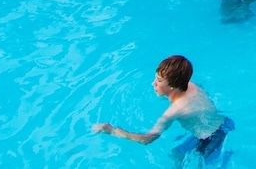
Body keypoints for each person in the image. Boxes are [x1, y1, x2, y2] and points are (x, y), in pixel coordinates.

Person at [92, 54, 233, 164]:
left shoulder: (173, 111)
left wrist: (112, 131)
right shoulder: (191, 85)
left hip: (210, 140)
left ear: (173, 85)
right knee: (176, 153)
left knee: (181, 156)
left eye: (159, 81)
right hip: (225, 122)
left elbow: (147, 140)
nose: (153, 83)